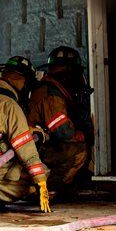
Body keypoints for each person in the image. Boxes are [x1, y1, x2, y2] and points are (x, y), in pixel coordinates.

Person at [0, 56, 51, 214]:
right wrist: (41, 182)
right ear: (24, 82)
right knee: (36, 180)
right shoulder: (10, 105)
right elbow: (26, 150)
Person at [28, 46, 93, 201]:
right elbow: (62, 131)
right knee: (79, 151)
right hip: (38, 150)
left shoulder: (54, 90)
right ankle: (47, 190)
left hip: (39, 147)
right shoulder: (51, 95)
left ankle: (63, 188)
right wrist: (84, 135)